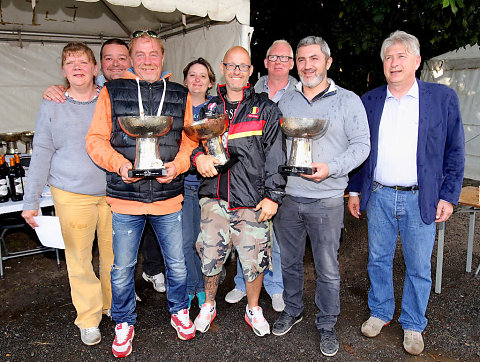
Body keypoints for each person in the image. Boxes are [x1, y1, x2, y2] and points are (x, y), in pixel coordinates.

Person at [347, 30, 465, 356]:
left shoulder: (441, 99)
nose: (394, 63)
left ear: (416, 60)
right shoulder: (369, 101)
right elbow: (361, 150)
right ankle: (380, 311)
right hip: (380, 194)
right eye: (388, 57)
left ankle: (413, 323)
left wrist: (449, 196)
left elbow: (455, 152)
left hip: (421, 197)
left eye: (401, 56)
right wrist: (355, 189)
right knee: (378, 260)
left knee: (418, 266)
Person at [85, 30, 198, 358]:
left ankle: (178, 311)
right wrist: (120, 165)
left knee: (176, 263)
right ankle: (123, 321)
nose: (148, 60)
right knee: (122, 268)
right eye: (141, 54)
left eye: (154, 54)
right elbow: (95, 139)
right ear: (132, 58)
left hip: (168, 196)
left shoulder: (179, 93)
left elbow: (190, 139)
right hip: (126, 196)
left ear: (162, 58)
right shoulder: (113, 90)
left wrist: (176, 166)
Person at [271, 35, 370, 357]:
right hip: (289, 197)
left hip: (327, 199)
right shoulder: (286, 100)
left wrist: (333, 168)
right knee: (290, 262)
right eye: (301, 60)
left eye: (314, 58)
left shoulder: (348, 100)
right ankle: (294, 309)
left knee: (328, 268)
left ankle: (327, 323)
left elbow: (362, 146)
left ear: (327, 62)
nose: (307, 65)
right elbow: (275, 146)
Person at [43, 38, 167, 294]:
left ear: (131, 61)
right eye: (109, 58)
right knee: (92, 254)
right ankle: (98, 308)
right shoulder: (88, 93)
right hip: (91, 186)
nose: (116, 64)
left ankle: (129, 290)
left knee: (127, 247)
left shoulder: (146, 89)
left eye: (122, 58)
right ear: (100, 65)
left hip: (127, 184)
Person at [22, 42, 114, 347]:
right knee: (79, 260)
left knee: (116, 258)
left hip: (114, 192)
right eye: (70, 63)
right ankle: (88, 319)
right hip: (71, 194)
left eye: (83, 62)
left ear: (95, 68)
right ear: (63, 70)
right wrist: (30, 201)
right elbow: (42, 152)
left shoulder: (108, 98)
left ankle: (112, 306)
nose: (77, 67)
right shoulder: (53, 103)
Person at [192, 46, 286, 337]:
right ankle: (208, 304)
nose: (236, 71)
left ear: (250, 71)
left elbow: (276, 156)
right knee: (210, 255)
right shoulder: (208, 109)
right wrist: (198, 158)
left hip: (252, 200)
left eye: (242, 66)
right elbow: (193, 145)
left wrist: (273, 196)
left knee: (255, 258)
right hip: (214, 198)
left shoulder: (265, 108)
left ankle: (253, 307)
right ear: (222, 68)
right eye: (231, 66)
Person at [226, 39, 297, 312]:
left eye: (284, 58)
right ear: (265, 63)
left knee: (275, 240)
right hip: (250, 181)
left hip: (284, 175)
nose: (278, 62)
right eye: (273, 57)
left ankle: (275, 286)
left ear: (291, 64)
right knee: (248, 237)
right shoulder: (249, 89)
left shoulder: (300, 93)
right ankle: (242, 284)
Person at [181, 57, 216, 308]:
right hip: (181, 184)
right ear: (185, 81)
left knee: (205, 243)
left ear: (211, 82)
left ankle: (206, 288)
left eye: (202, 75)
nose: (197, 79)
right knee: (185, 241)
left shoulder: (216, 110)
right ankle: (192, 286)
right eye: (192, 75)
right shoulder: (176, 107)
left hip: (208, 186)